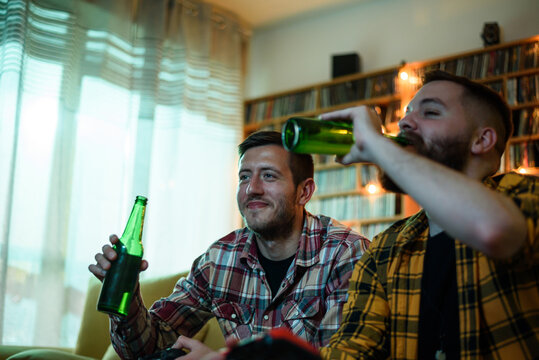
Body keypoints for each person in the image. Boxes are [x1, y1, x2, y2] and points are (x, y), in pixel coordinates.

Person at [89, 131, 370, 359]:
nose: (252, 189)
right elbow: (146, 349)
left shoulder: (346, 254)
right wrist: (126, 295)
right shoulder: (219, 259)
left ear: (304, 191)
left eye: (269, 175)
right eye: (244, 176)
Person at [319, 70, 538, 359]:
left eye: (431, 112)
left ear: (482, 140)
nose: (404, 122)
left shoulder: (527, 195)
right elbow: (353, 349)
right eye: (406, 113)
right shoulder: (385, 249)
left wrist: (377, 144)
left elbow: (494, 229)